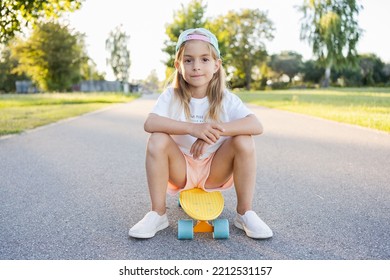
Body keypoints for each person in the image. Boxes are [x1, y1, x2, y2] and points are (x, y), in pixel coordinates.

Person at [129, 28, 273, 239]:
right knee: (157, 138)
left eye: (204, 59)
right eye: (188, 60)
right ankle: (157, 214)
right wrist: (194, 128)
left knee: (244, 140)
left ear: (216, 65)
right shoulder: (171, 96)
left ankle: (245, 213)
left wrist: (212, 132)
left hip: (215, 170)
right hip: (182, 169)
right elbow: (150, 123)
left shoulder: (226, 99)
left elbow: (256, 125)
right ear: (178, 66)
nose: (196, 66)